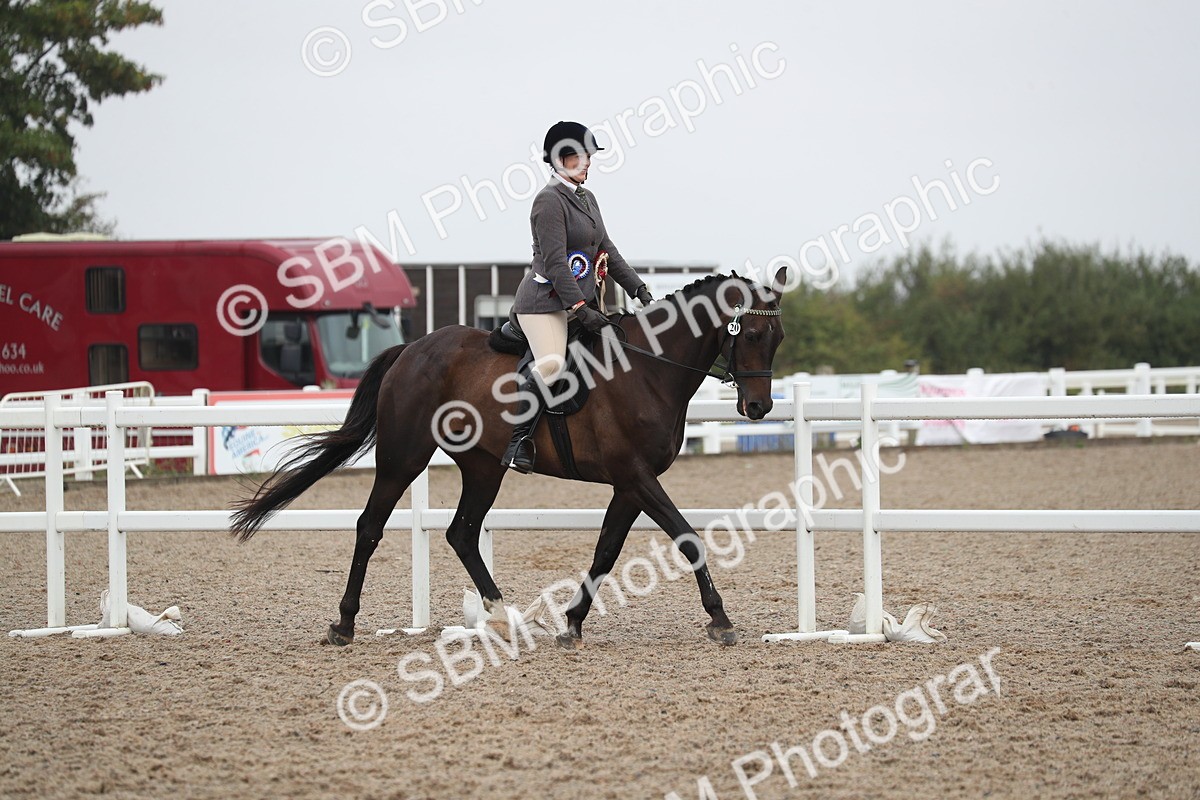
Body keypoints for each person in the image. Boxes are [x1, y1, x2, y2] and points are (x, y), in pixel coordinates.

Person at [502, 120, 654, 473]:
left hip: (578, 302)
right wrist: (580, 307)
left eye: (588, 157)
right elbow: (556, 263)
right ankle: (517, 441)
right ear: (558, 160)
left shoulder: (587, 198)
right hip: (545, 304)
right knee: (553, 364)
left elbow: (607, 250)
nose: (587, 163)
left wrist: (639, 289)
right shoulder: (548, 201)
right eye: (580, 157)